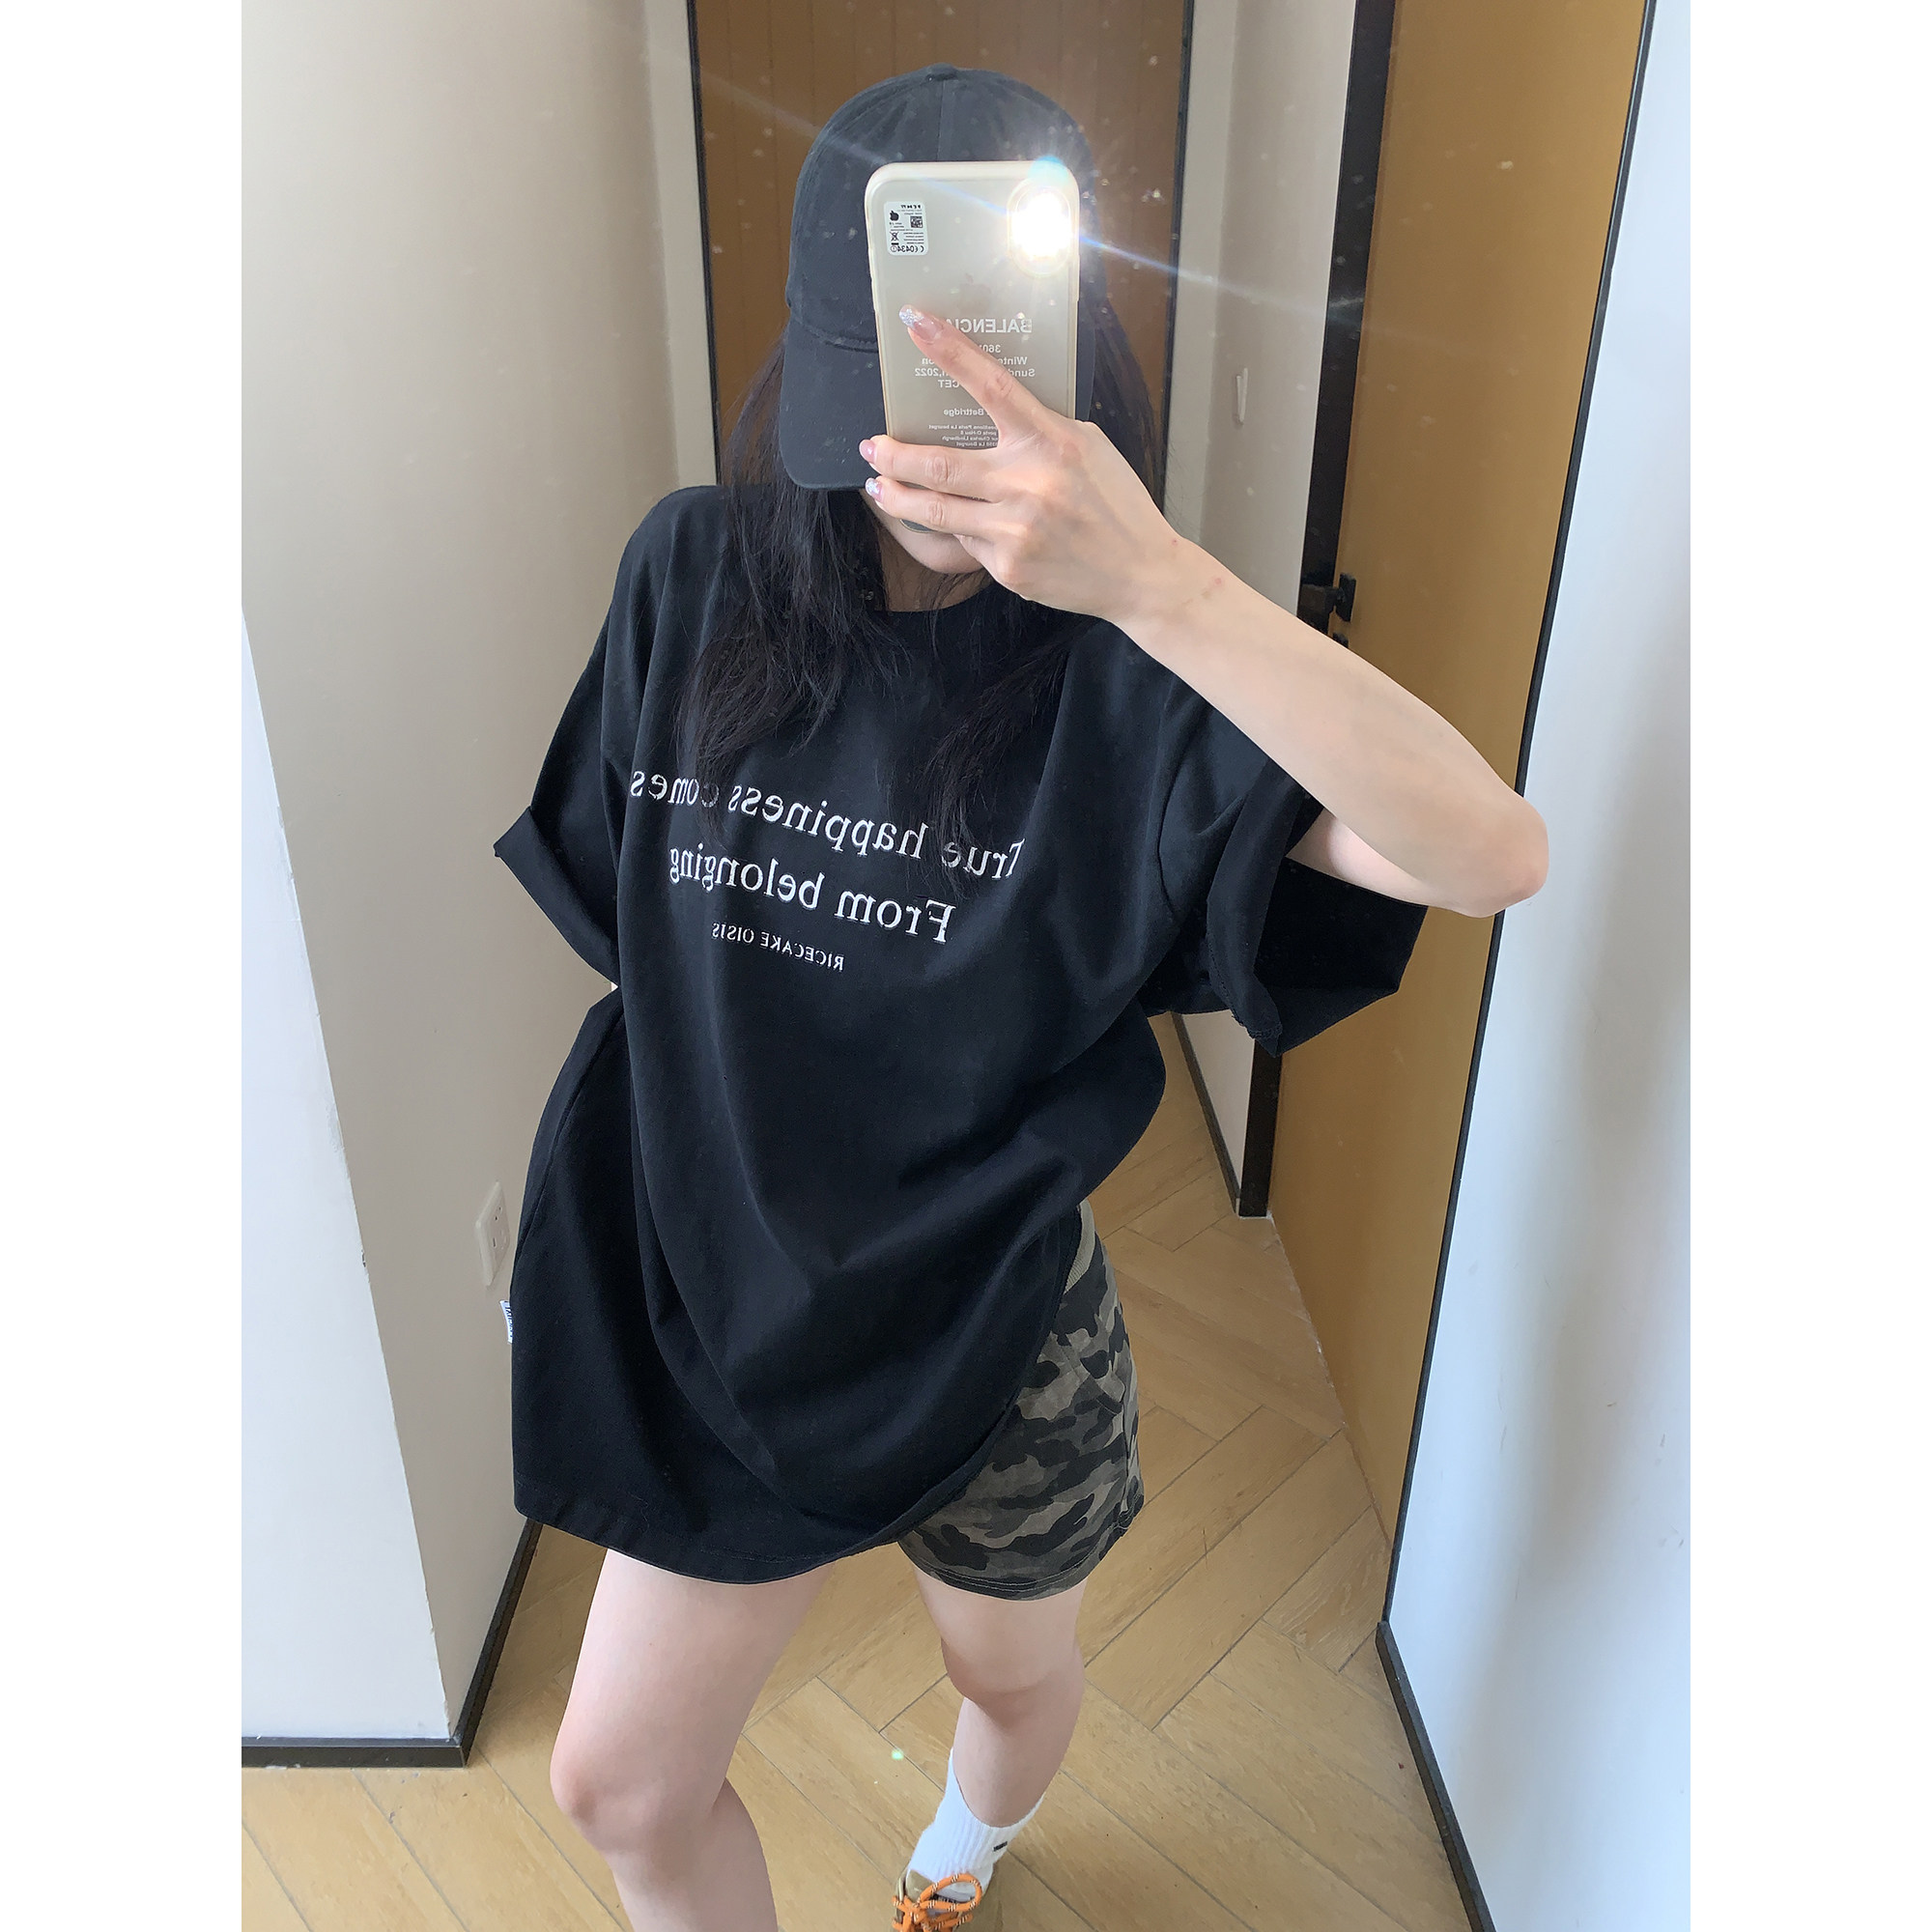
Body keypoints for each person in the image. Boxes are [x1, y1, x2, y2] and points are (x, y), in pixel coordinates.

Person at [494, 64, 1546, 1932]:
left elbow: (1488, 853)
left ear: (1076, 367)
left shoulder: (1143, 681)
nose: (930, 459)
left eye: (987, 393)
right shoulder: (692, 576)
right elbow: (636, 946)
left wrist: (1161, 586)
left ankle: (966, 1851)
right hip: (719, 1306)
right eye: (885, 393)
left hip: (992, 1339)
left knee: (1005, 1680)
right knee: (618, 1786)